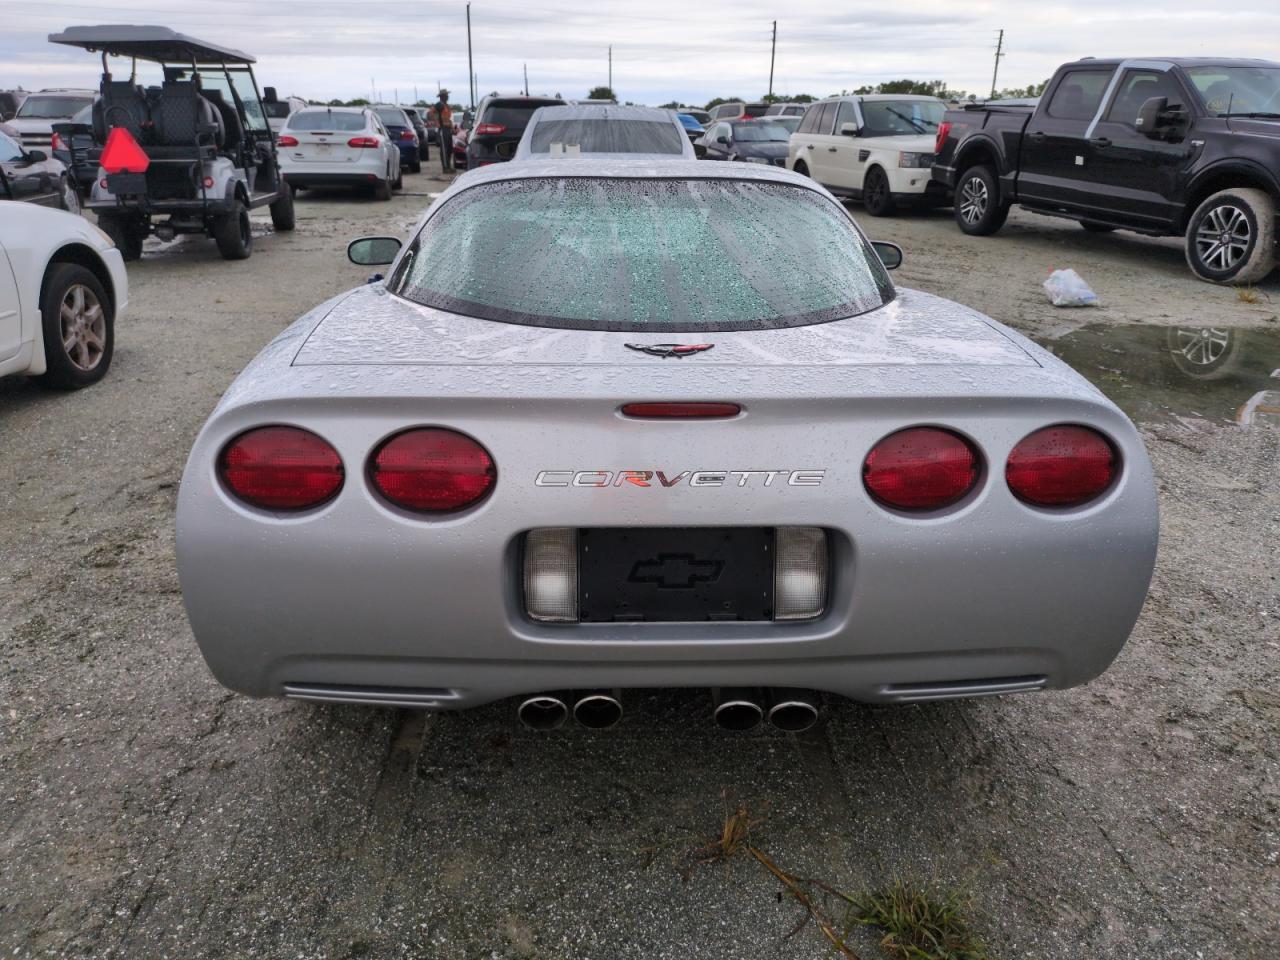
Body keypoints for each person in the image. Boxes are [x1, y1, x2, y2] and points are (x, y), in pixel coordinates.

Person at [433, 90, 453, 172]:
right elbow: (432, 113)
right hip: (443, 128)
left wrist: (452, 126)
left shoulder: (447, 106)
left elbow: (448, 117)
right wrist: (437, 123)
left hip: (448, 129)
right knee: (444, 149)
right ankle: (445, 167)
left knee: (449, 149)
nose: (448, 96)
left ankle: (448, 166)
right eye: (446, 95)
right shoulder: (439, 105)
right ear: (442, 96)